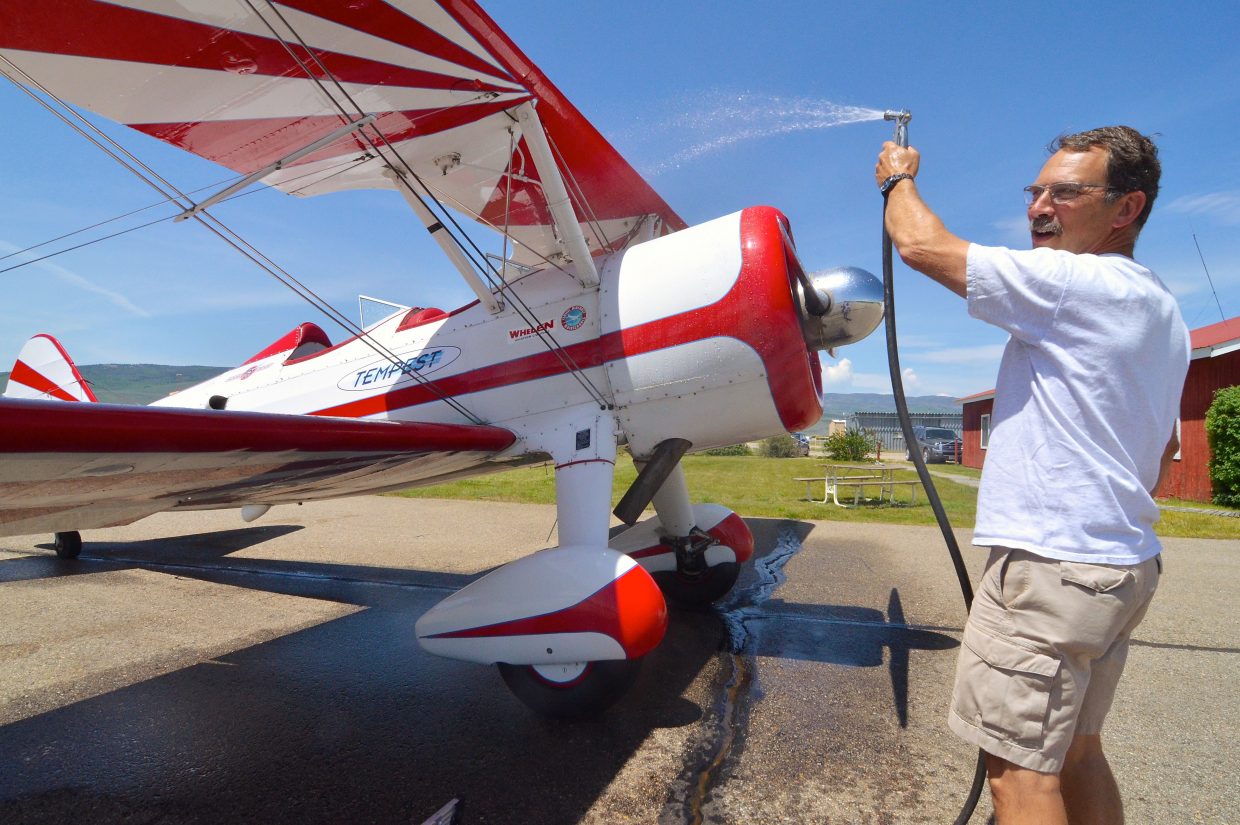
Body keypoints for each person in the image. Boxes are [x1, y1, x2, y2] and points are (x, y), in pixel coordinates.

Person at [876, 126, 1188, 825]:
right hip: (1120, 564)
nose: (1039, 207)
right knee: (1077, 751)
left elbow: (921, 245)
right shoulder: (1161, 308)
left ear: (1125, 208)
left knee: (1018, 777)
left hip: (1053, 569)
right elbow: (1165, 453)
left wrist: (898, 178)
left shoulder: (1074, 282)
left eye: (1066, 193)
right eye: (1035, 191)